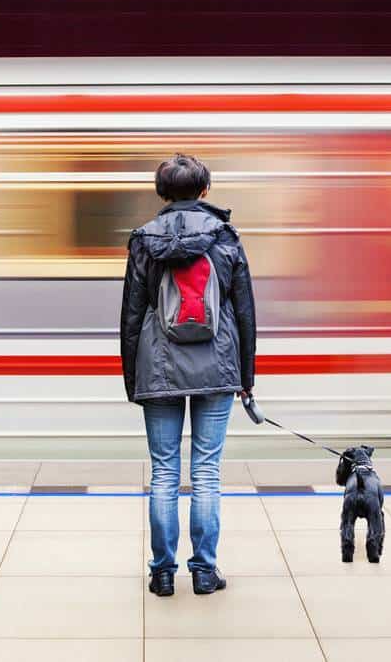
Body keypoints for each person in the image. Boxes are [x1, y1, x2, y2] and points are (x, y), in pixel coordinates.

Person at [120, 153, 256, 597]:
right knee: (206, 471)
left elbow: (132, 315)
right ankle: (203, 571)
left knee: (163, 471)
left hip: (157, 367)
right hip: (217, 365)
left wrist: (132, 378)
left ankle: (162, 573)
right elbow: (245, 313)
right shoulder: (226, 238)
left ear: (162, 193)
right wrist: (247, 378)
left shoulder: (143, 241)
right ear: (204, 191)